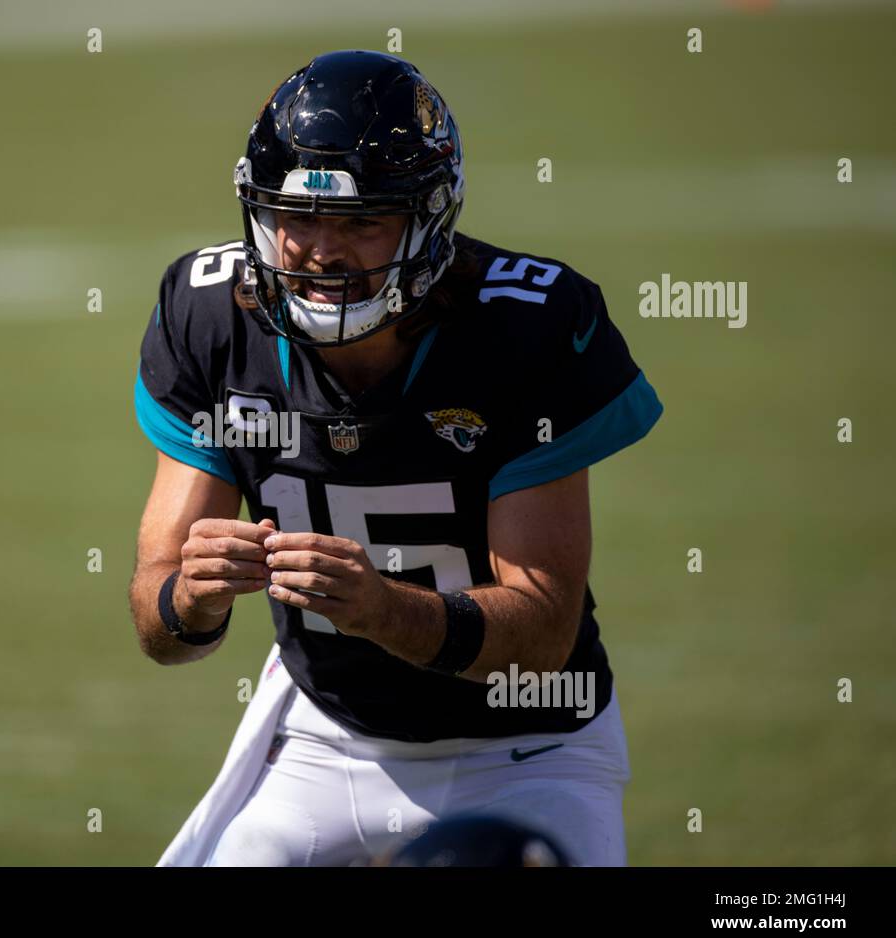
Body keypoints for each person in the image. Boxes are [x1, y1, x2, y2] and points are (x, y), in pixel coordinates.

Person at [130, 49, 662, 866]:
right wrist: (189, 603)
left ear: (430, 217)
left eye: (360, 222)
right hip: (324, 738)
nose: (320, 252)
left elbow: (544, 633)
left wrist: (381, 608)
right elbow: (157, 619)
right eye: (296, 218)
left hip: (528, 749)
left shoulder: (526, 326)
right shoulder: (211, 316)